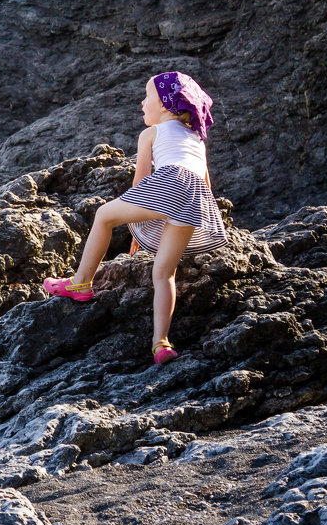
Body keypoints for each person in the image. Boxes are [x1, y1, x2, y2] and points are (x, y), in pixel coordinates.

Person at [43, 71, 227, 364]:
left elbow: (142, 182)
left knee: (104, 215)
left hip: (170, 183)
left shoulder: (151, 134)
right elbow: (203, 184)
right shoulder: (197, 139)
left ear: (165, 105)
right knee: (164, 274)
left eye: (147, 96)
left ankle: (80, 283)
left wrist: (134, 226)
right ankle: (161, 343)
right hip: (196, 199)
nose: (142, 103)